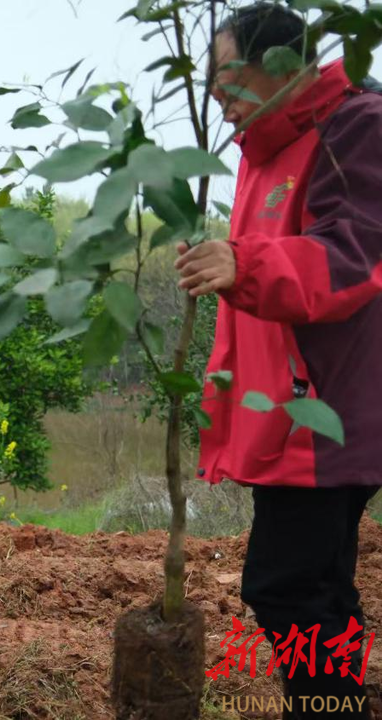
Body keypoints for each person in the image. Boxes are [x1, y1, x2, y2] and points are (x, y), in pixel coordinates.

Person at [176, 4, 381, 716]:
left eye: (225, 73)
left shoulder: (354, 125)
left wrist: (245, 263)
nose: (214, 94)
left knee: (285, 587)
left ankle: (326, 707)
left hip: (325, 412)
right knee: (318, 586)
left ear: (283, 66)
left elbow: (354, 255)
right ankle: (335, 705)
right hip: (291, 410)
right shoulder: (266, 149)